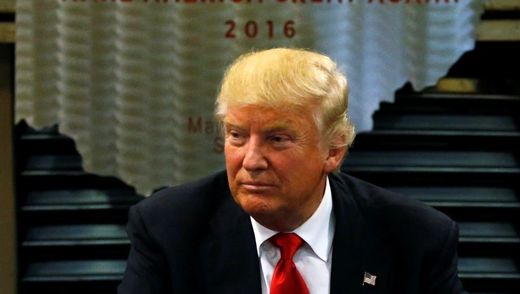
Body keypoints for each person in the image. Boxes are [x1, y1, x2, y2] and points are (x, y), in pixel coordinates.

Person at [118, 47, 467, 294]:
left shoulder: (415, 238)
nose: (251, 161)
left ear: (333, 151)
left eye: (278, 139)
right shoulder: (170, 229)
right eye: (237, 135)